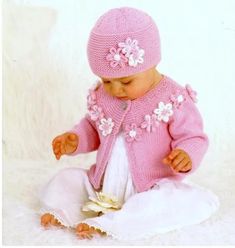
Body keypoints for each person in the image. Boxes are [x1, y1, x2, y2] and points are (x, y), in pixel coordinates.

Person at [39, 7, 219, 240]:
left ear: (151, 63)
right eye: (106, 81)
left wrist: (186, 154)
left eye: (126, 81)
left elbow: (194, 137)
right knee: (65, 180)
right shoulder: (103, 96)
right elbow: (93, 128)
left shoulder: (173, 98)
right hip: (103, 186)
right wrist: (76, 139)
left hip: (151, 186)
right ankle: (64, 212)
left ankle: (111, 224)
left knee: (165, 202)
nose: (115, 90)